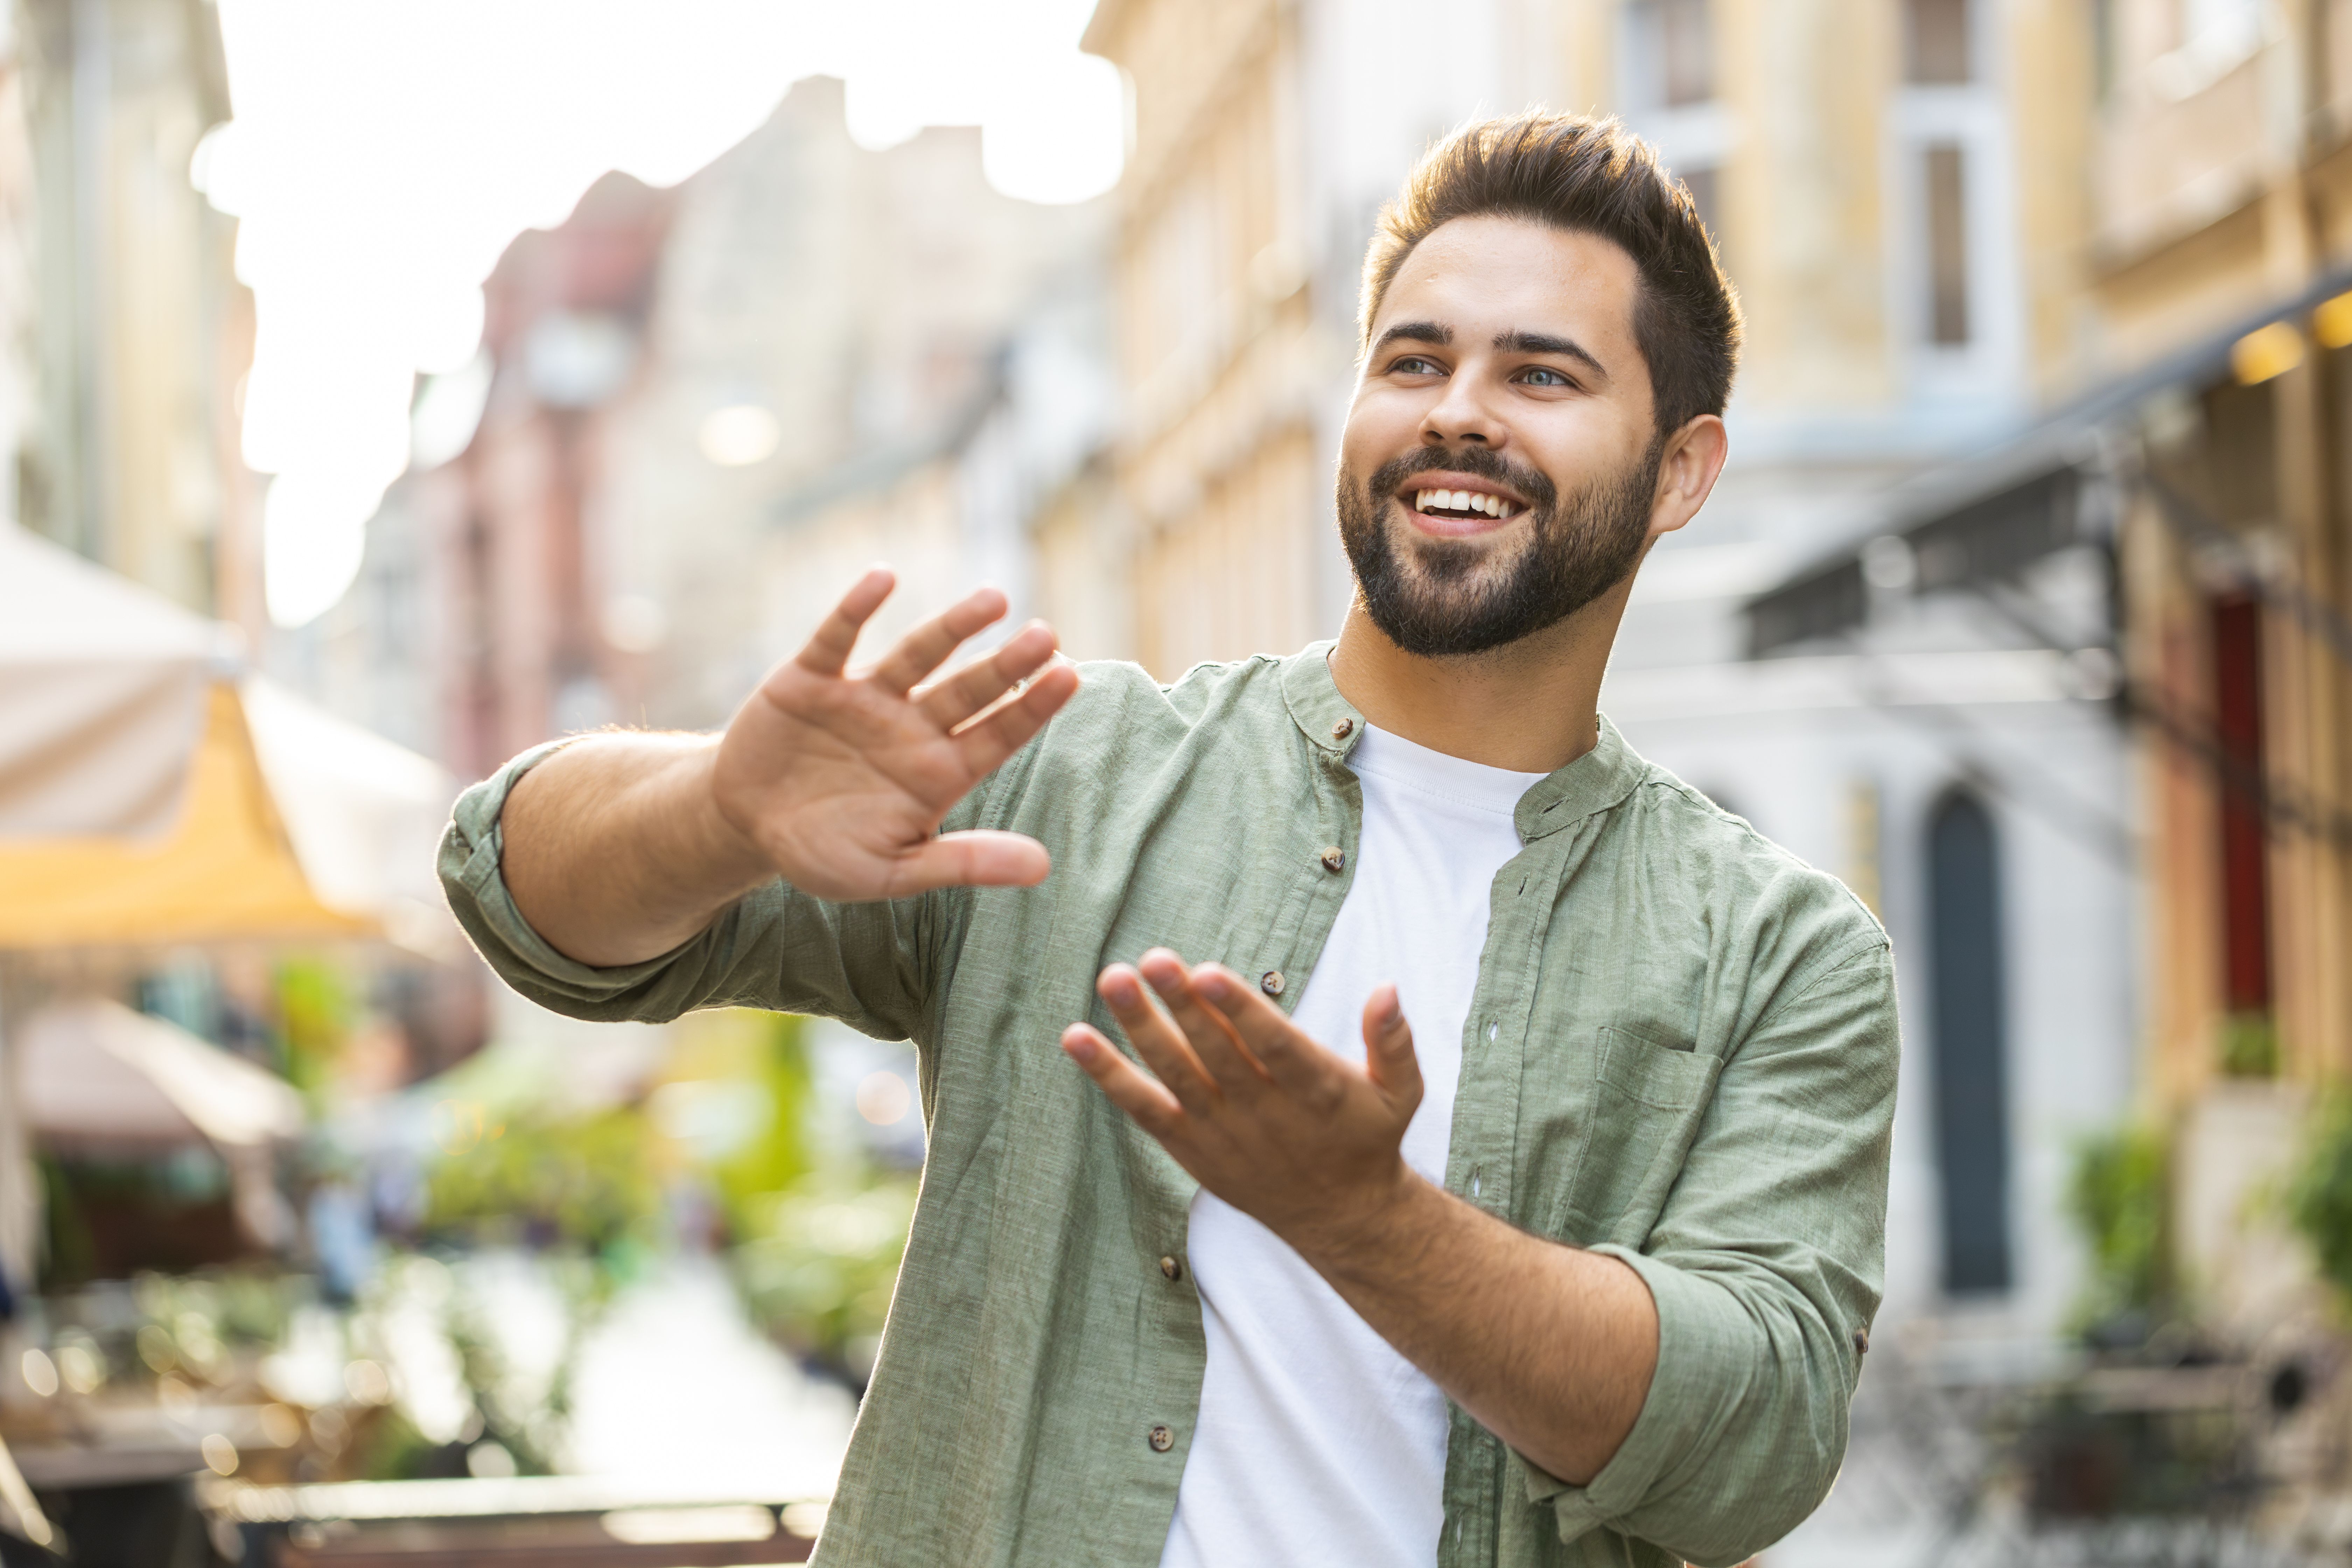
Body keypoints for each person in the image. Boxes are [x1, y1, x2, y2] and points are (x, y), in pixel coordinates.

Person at [440, 112, 1897, 1568]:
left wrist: (1368, 1217)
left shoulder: (1778, 952)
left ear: (1680, 471)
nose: (1458, 409)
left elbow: (1752, 1445)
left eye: (1541, 372)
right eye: (1413, 359)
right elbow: (517, 894)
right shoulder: (1070, 771)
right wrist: (710, 812)